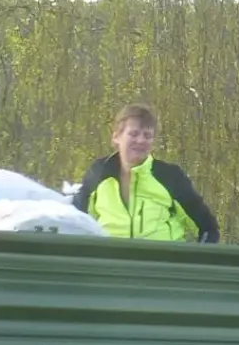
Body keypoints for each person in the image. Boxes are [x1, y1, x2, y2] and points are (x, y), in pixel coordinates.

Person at [70, 103, 220, 243]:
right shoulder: (99, 172)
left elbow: (207, 228)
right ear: (116, 137)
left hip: (160, 266)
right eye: (133, 134)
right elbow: (76, 220)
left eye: (147, 136)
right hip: (110, 265)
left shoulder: (169, 177)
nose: (140, 140)